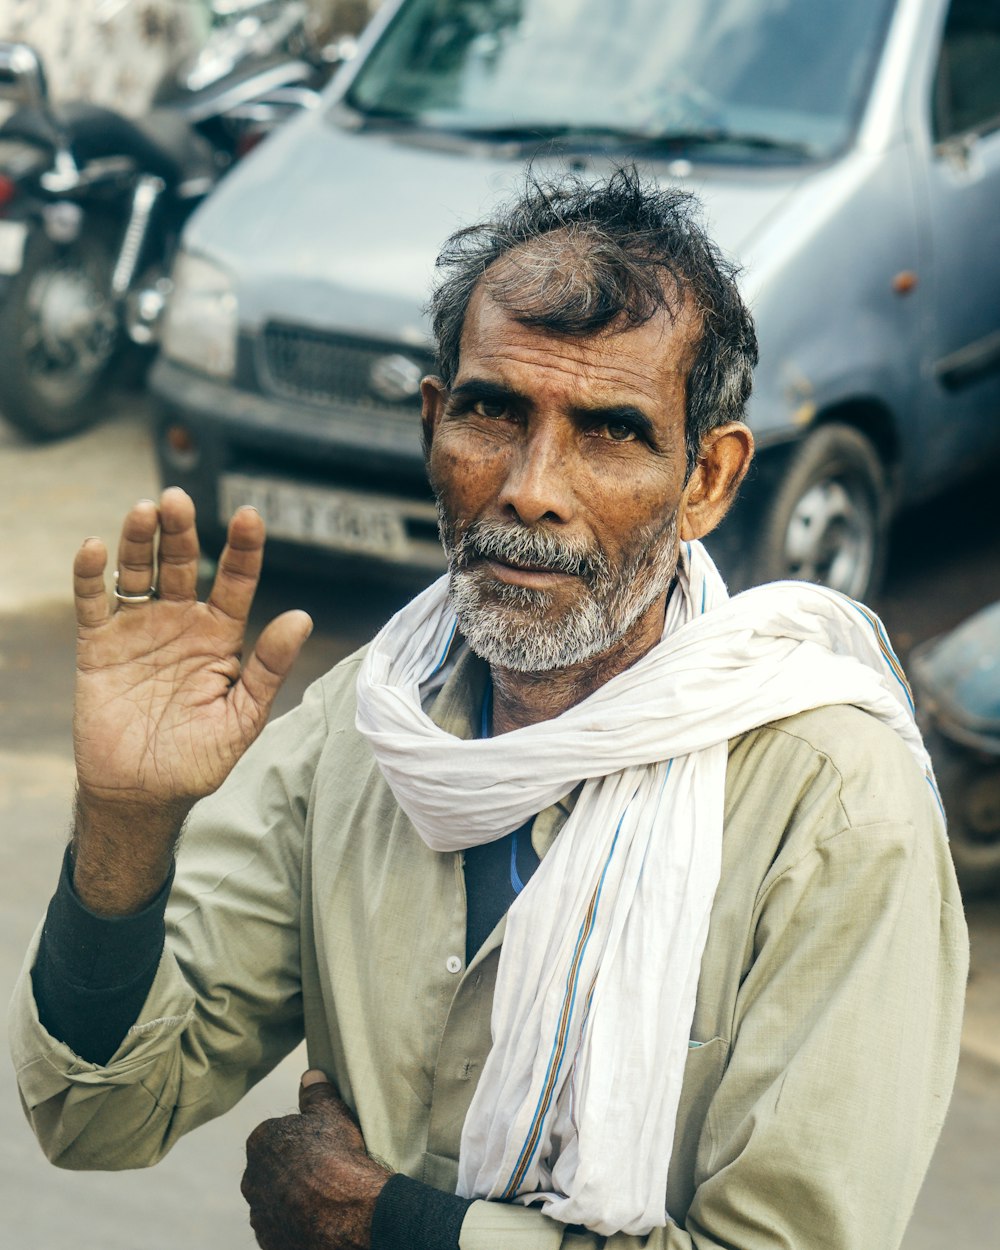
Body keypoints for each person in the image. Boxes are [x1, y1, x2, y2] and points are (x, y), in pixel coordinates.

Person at [10, 167, 967, 1250]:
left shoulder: (835, 805)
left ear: (706, 479)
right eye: (491, 412)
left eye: (609, 430)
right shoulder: (372, 727)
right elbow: (99, 1110)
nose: (530, 485)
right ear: (434, 426)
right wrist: (127, 823)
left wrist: (397, 1228)